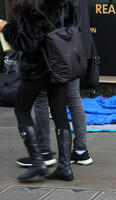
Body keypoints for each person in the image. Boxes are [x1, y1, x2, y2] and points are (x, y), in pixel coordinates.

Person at [0, 0, 78, 182]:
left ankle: (37, 162)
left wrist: (5, 28)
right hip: (60, 64)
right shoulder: (66, 4)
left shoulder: (29, 7)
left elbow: (26, 44)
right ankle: (65, 167)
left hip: (37, 68)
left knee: (21, 109)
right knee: (59, 112)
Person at [15, 0, 94, 167]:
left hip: (56, 54)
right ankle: (80, 151)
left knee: (41, 100)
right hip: (74, 50)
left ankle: (43, 151)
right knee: (73, 99)